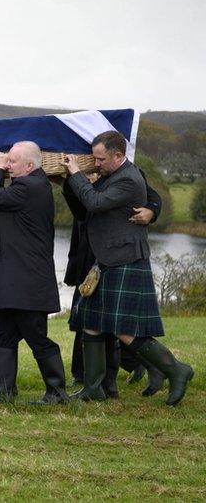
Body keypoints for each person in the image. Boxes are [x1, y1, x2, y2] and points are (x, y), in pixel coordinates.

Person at [63, 130, 194, 405]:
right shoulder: (112, 174)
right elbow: (84, 204)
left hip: (124, 259)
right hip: (108, 257)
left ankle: (176, 369)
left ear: (118, 155)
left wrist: (75, 172)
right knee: (90, 322)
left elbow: (95, 203)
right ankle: (93, 388)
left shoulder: (128, 179)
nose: (96, 163)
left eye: (100, 159)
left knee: (124, 329)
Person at [0, 141, 68, 405]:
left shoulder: (31, 186)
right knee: (3, 332)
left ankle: (57, 392)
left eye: (12, 161)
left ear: (29, 165)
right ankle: (1, 391)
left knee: (35, 334)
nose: (8, 165)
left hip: (27, 278)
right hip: (14, 276)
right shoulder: (26, 187)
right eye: (7, 161)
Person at [63, 168, 165, 398]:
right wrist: (70, 181)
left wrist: (152, 210)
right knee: (89, 320)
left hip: (111, 252)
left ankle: (110, 380)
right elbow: (80, 212)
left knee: (109, 322)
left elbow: (151, 195)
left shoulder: (123, 171)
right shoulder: (83, 165)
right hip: (90, 250)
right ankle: (92, 381)